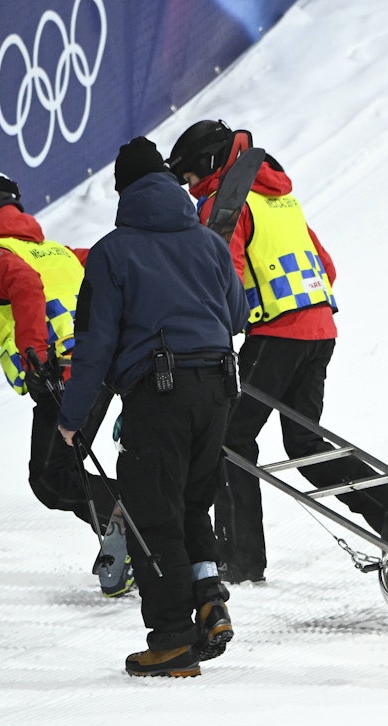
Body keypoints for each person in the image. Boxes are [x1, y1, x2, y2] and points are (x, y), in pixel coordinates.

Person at [166, 119, 388, 584]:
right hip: (319, 329)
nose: (187, 189)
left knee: (229, 441)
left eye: (187, 178)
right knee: (304, 442)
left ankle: (239, 558)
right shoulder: (280, 197)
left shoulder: (225, 204)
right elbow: (326, 266)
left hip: (277, 335)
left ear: (205, 165)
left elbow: (221, 275)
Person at [57, 137, 248, 677]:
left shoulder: (113, 251)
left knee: (150, 513)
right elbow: (238, 314)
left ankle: (171, 641)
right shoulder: (208, 243)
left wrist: (72, 419)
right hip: (217, 387)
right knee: (191, 503)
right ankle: (209, 599)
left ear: (124, 192)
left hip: (158, 392)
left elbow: (93, 343)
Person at [0, 170, 133, 598]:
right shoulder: (55, 251)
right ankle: (132, 530)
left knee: (51, 478)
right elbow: (103, 263)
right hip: (94, 370)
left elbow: (25, 286)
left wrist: (34, 354)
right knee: (56, 475)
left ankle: (137, 522)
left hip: (61, 376)